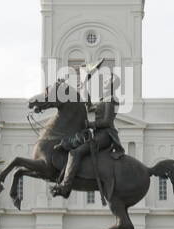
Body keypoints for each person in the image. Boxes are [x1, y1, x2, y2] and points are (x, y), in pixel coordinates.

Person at [52, 69, 124, 201]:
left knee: (75, 153)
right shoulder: (104, 99)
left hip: (106, 136)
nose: (105, 82)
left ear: (113, 84)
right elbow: (90, 107)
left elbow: (107, 121)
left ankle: (65, 186)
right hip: (98, 133)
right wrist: (84, 88)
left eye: (108, 81)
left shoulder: (112, 99)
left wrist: (90, 124)